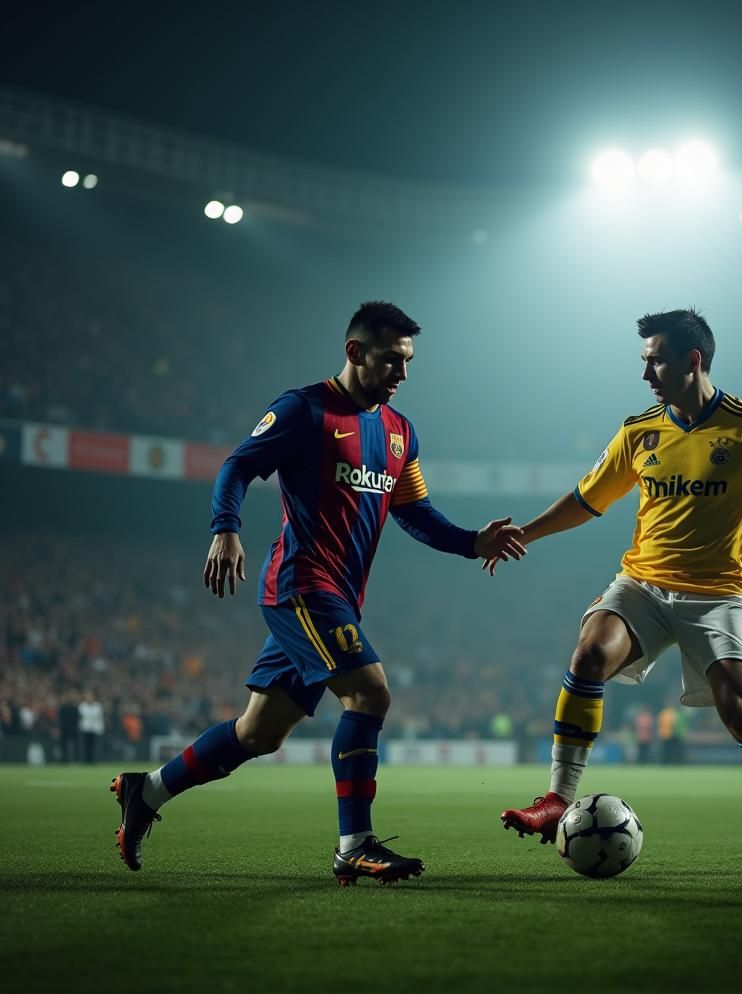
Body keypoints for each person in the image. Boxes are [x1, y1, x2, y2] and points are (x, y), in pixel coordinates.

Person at [110, 301, 525, 885]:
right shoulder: (304, 409)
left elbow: (414, 513)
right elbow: (236, 466)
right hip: (301, 587)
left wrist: (471, 543)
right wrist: (225, 529)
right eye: (390, 360)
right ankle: (354, 844)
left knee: (258, 733)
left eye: (407, 362)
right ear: (355, 352)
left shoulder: (401, 432)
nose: (402, 374)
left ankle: (144, 790)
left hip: (338, 599)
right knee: (370, 693)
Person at [496, 308, 742, 877]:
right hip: (642, 583)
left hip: (718, 596)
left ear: (693, 360)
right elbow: (586, 499)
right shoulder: (639, 431)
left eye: (657, 360)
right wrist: (528, 531)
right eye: (644, 360)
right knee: (589, 653)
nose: (647, 373)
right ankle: (556, 799)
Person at [78, 690, 105, 763]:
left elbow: (100, 718)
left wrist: (101, 728)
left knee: (94, 746)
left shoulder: (97, 706)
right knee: (86, 746)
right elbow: (80, 718)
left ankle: (93, 760)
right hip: (85, 728)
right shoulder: (82, 706)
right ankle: (86, 760)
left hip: (95, 729)